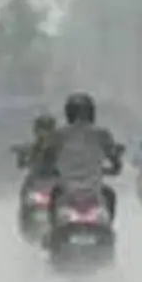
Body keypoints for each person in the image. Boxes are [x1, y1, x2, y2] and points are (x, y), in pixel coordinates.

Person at [45, 92, 123, 222]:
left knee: (55, 195)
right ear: (91, 112)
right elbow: (116, 165)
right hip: (93, 188)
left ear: (69, 113)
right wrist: (107, 169)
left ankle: (53, 229)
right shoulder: (102, 134)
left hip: (67, 187)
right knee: (110, 195)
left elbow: (47, 159)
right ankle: (108, 226)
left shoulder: (59, 135)